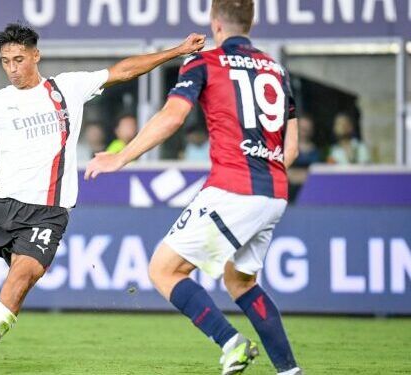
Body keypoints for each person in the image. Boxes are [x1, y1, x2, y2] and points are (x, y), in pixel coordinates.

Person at [0, 23, 205, 374]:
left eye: (19, 59)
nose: (13, 68)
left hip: (47, 214)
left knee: (19, 282)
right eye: (5, 61)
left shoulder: (67, 88)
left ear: (36, 55)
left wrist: (176, 51)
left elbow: (123, 71)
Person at [85, 1, 302, 374]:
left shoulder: (206, 62)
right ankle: (290, 371)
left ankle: (231, 343)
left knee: (163, 270)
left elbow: (173, 116)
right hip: (274, 192)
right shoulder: (277, 71)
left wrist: (120, 157)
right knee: (241, 280)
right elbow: (291, 148)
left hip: (234, 187)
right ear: (251, 22)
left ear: (215, 24)